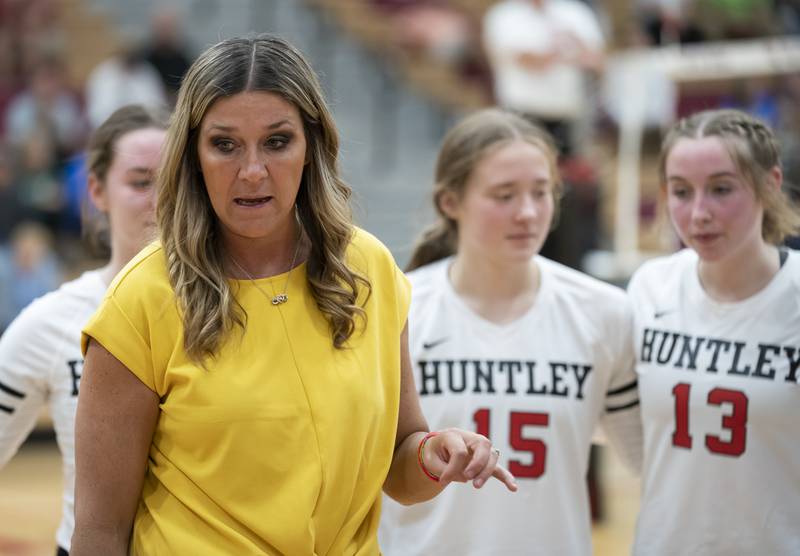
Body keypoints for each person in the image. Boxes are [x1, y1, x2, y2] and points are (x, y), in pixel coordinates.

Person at [70, 34, 516, 556]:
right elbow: (100, 528)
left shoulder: (368, 269)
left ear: (311, 147)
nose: (253, 171)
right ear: (192, 155)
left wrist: (435, 453)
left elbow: (399, 463)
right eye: (225, 144)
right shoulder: (142, 298)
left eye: (277, 142)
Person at [378, 108, 642, 555]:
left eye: (541, 193)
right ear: (450, 202)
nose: (527, 213)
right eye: (504, 195)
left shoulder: (604, 313)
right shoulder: (399, 308)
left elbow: (649, 458)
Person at [628, 108, 800, 555]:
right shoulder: (651, 287)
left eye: (722, 189)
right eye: (681, 192)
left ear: (770, 184)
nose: (699, 213)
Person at [0, 104, 168, 556]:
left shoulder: (232, 309)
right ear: (97, 190)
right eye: (139, 181)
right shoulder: (50, 322)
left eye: (174, 181)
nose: (160, 199)